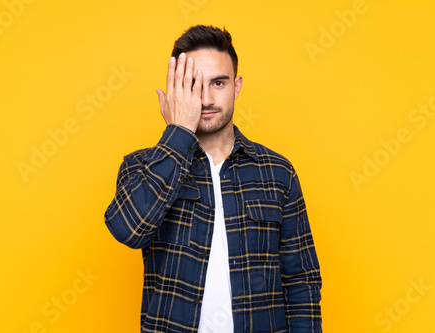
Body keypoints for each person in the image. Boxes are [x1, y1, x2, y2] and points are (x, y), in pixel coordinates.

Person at [104, 25, 322, 333]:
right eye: (193, 85)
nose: (205, 99)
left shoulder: (278, 173)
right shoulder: (142, 166)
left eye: (218, 83)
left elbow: (301, 282)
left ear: (237, 86)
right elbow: (129, 230)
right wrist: (178, 133)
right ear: (176, 91)